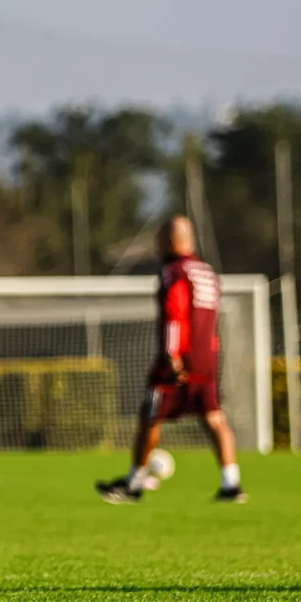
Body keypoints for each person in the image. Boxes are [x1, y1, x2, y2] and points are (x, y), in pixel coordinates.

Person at [96, 216, 246, 504]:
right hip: (207, 358)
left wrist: (171, 355)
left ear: (169, 241)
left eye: (159, 239)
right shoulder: (207, 272)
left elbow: (174, 315)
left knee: (150, 417)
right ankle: (232, 484)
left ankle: (134, 483)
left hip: (179, 358)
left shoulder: (174, 272)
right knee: (214, 418)